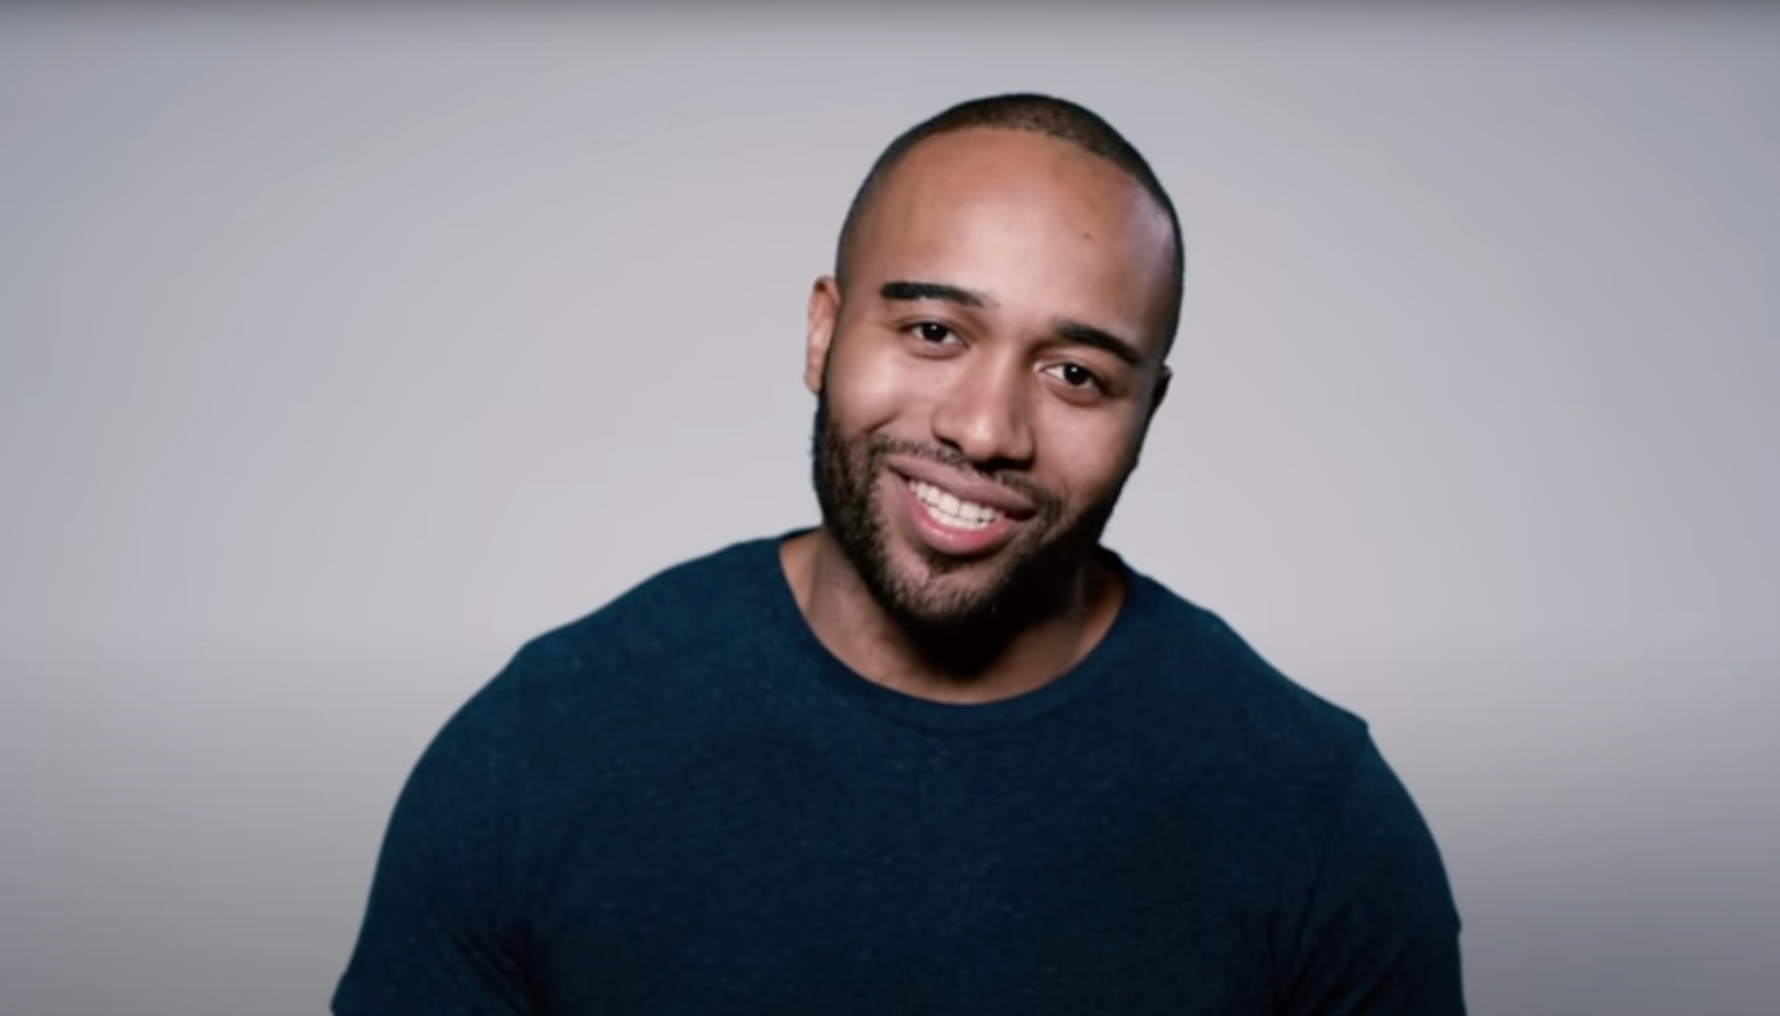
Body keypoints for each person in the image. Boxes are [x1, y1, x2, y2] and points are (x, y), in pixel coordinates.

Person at [333, 93, 1465, 1015]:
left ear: (1146, 413)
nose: (985, 428)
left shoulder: (1318, 825)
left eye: (1075, 373)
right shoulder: (544, 748)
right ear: (823, 331)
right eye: (933, 331)